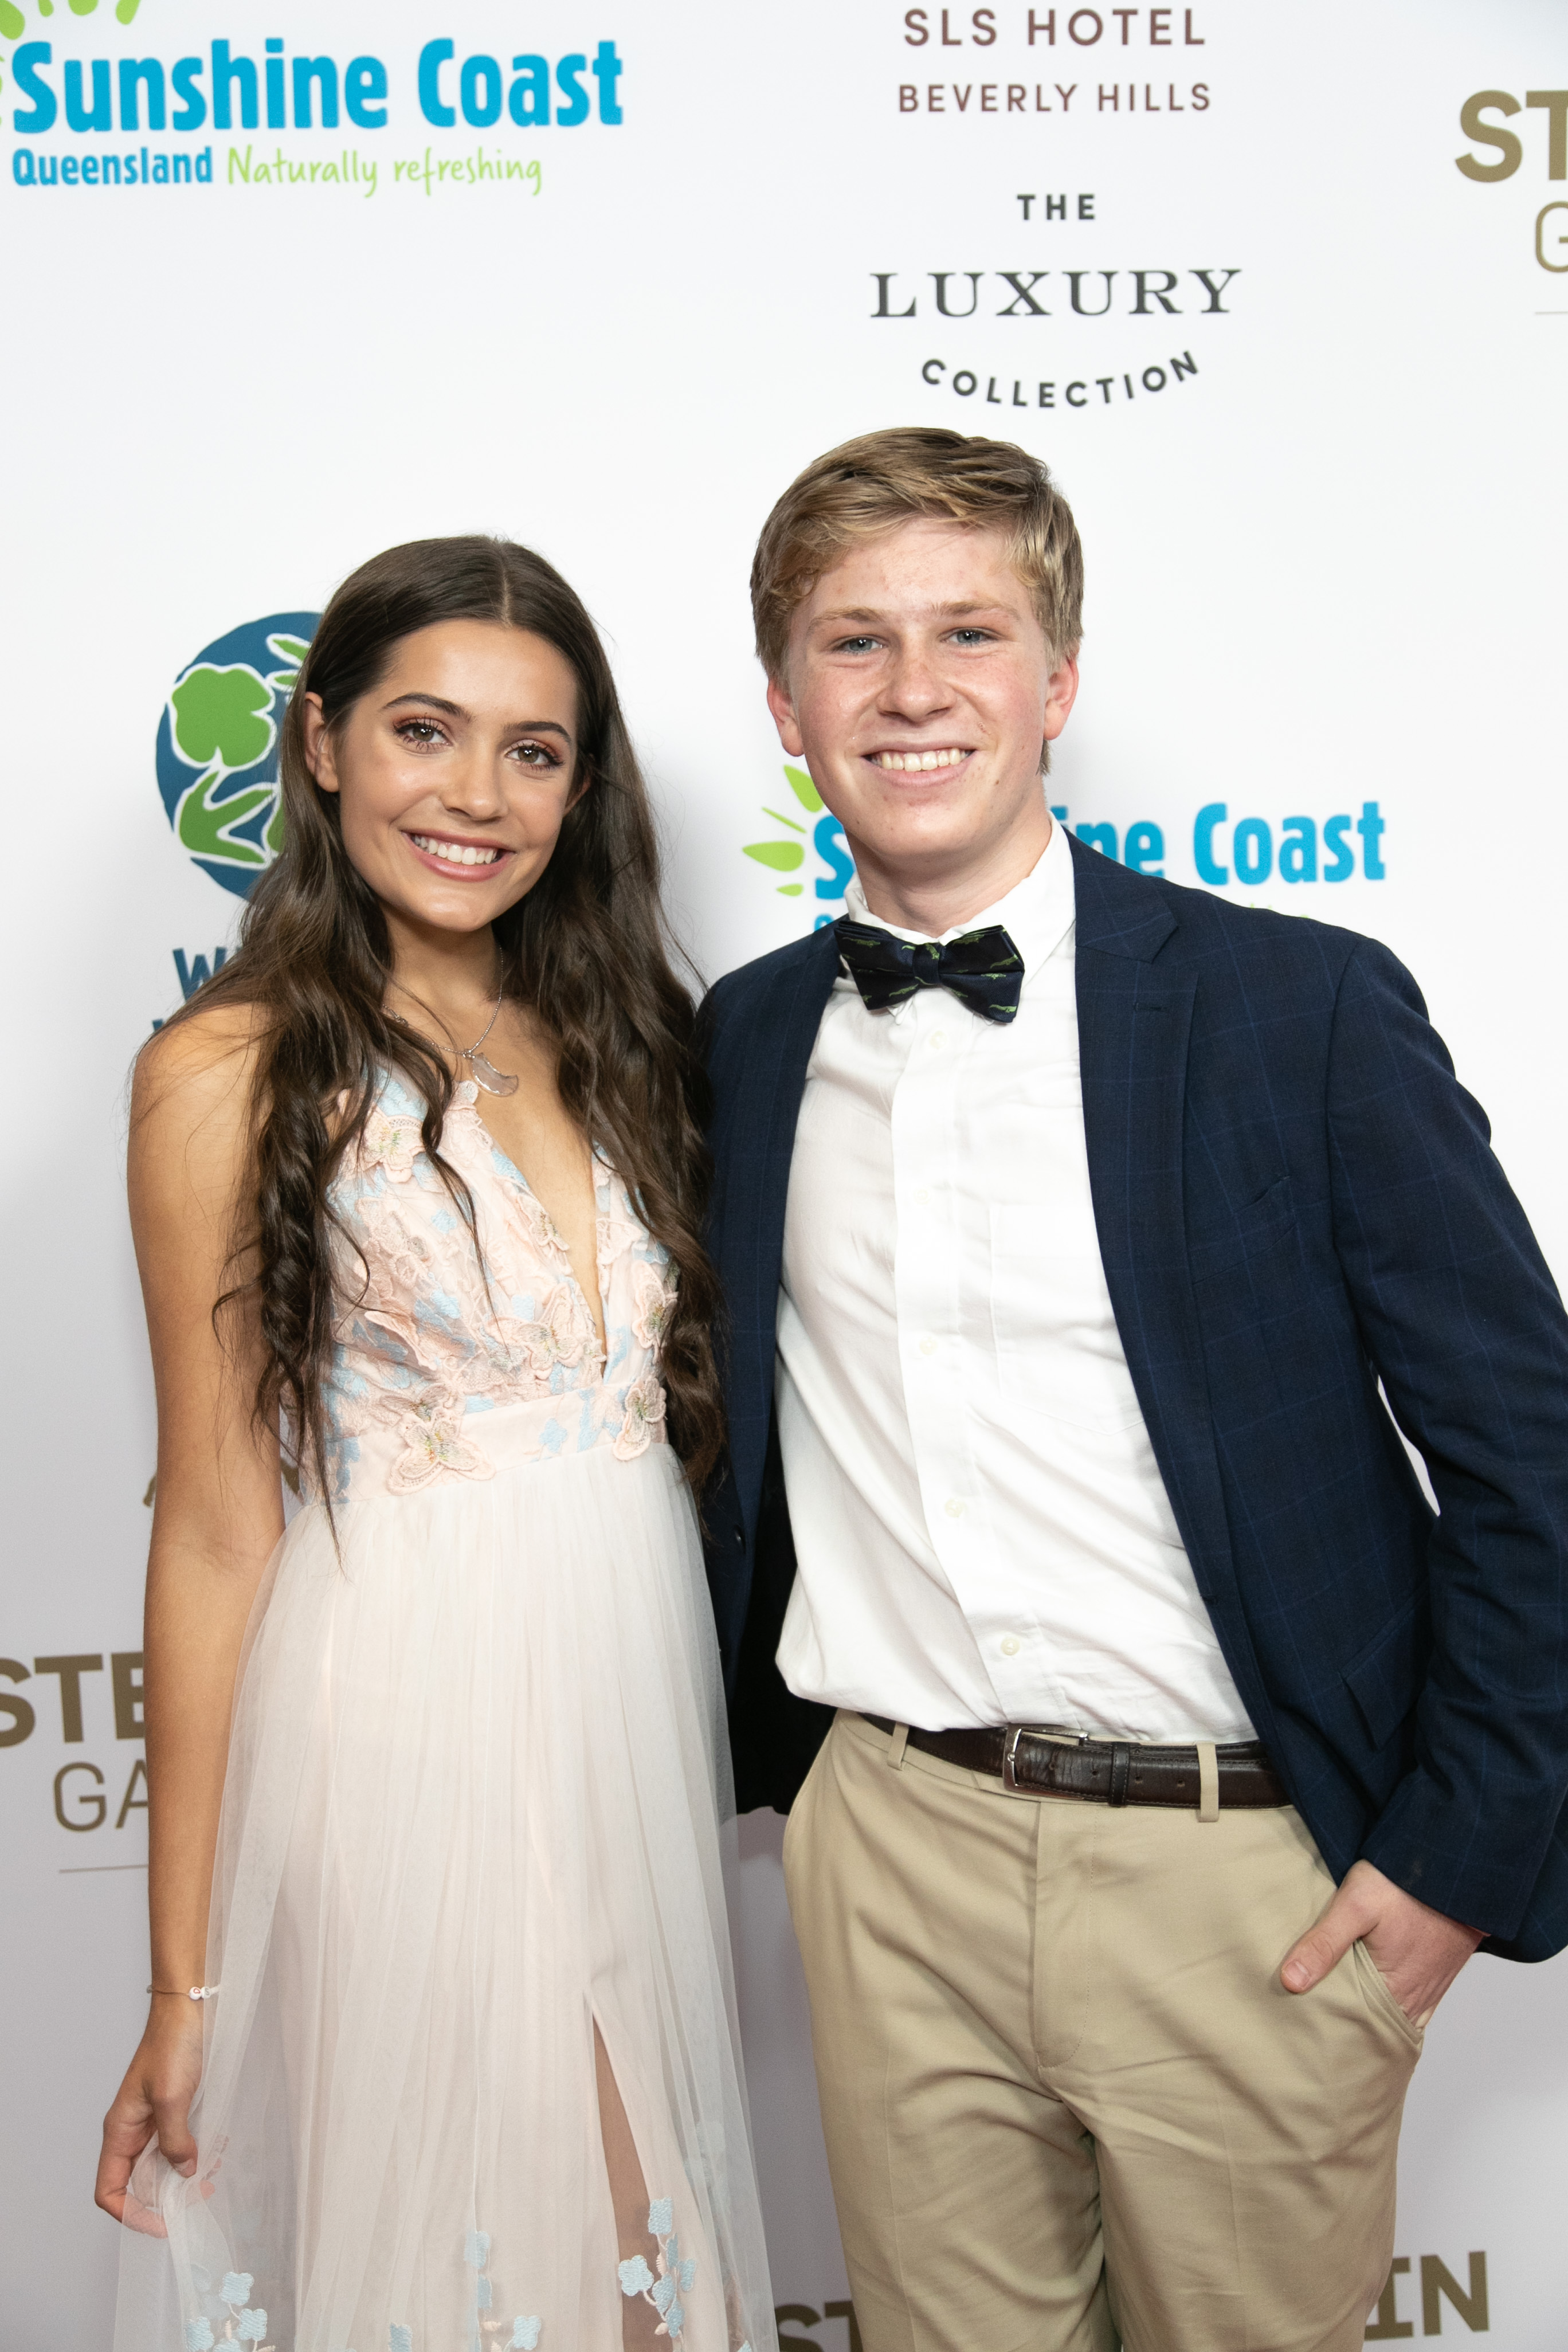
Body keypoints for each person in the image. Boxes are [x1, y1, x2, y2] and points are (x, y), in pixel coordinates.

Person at [697, 426, 1568, 2352]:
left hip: (1239, 1874)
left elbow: (1535, 1456)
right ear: (785, 705)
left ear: (1058, 680)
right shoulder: (741, 1043)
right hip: (893, 1856)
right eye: (854, 642)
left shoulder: (1297, 1007)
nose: (913, 690)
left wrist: (1456, 1857)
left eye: (969, 633)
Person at [97, 537, 775, 2352]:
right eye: (424, 731)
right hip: (407, 1733)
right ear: (321, 744)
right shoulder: (225, 1072)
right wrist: (184, 1989)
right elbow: (215, 1527)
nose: (478, 794)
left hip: (623, 1722)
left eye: (534, 750)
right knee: (508, 2253)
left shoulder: (626, 1036)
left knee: (641, 2271)